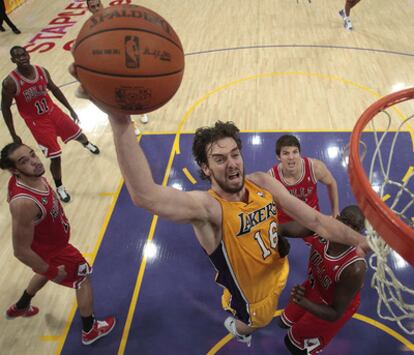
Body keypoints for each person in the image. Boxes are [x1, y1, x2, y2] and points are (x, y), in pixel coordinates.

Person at [71, 63, 369, 343]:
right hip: (252, 298)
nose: (231, 164)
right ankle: (238, 328)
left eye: (234, 154)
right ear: (205, 168)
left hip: (278, 270)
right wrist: (119, 119)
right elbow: (145, 195)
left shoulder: (261, 182)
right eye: (219, 158)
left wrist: (363, 241)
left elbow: (316, 220)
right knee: (255, 323)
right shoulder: (207, 208)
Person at [0, 142, 116, 345]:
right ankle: (89, 329)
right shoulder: (24, 203)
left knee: (42, 271)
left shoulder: (30, 177)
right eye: (24, 161)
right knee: (83, 278)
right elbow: (20, 251)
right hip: (55, 251)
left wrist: (46, 267)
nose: (34, 162)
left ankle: (22, 304)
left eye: (32, 154)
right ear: (14, 170)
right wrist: (52, 270)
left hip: (47, 246)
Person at [1, 46, 100, 203]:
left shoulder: (41, 71)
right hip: (37, 122)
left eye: (23, 55)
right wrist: (13, 134)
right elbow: (5, 108)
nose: (22, 58)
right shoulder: (10, 82)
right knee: (55, 157)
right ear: (13, 60)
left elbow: (54, 89)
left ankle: (86, 144)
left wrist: (70, 109)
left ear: (28, 54)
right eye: (17, 57)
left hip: (53, 112)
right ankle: (60, 187)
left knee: (79, 134)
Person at [278, 205, 367, 354]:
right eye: (345, 222)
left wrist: (304, 303)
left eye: (355, 227)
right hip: (314, 287)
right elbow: (291, 228)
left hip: (332, 304)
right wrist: (275, 232)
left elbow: (334, 313)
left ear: (359, 232)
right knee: (283, 322)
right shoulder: (324, 227)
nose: (348, 229)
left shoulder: (354, 267)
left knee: (293, 345)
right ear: (337, 218)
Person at [84, 0, 150, 130]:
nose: (97, 8)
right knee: (120, 96)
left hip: (124, 59)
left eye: (98, 5)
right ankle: (132, 124)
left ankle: (142, 111)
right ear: (89, 9)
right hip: (108, 65)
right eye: (93, 7)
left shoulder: (114, 18)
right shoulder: (89, 28)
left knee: (135, 86)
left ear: (102, 5)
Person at [268, 134, 339, 225]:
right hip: (284, 219)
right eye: (286, 153)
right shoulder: (272, 177)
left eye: (295, 152)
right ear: (278, 157)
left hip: (310, 216)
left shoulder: (315, 168)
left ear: (299, 153)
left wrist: (335, 212)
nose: (291, 157)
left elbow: (331, 183)